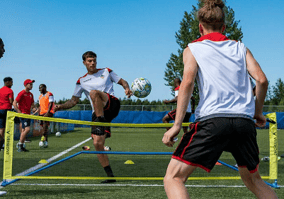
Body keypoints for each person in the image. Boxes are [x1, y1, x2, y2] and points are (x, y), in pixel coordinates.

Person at [162, 0, 278, 198]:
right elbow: (262, 80)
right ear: (224, 27)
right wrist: (257, 112)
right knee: (254, 180)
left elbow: (187, 84)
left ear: (200, 27)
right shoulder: (241, 48)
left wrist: (176, 125)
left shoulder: (192, 49)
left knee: (173, 178)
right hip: (244, 123)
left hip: (212, 121)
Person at [54, 51, 132, 183]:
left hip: (111, 103)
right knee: (97, 143)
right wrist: (60, 106)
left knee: (94, 93)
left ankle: (100, 120)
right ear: (84, 62)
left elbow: (122, 81)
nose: (92, 63)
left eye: (94, 60)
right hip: (98, 111)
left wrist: (127, 88)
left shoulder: (106, 71)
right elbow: (73, 101)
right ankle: (110, 177)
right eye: (89, 61)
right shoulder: (81, 81)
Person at [13, 79, 37, 152]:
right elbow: (14, 103)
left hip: (28, 115)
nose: (31, 86)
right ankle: (20, 144)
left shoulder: (31, 94)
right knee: (27, 129)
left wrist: (34, 109)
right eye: (30, 84)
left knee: (23, 130)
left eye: (32, 84)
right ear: (26, 85)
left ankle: (21, 146)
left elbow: (32, 105)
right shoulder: (21, 93)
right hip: (24, 115)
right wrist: (20, 112)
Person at [37, 84, 55, 148]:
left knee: (44, 126)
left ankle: (42, 140)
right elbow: (40, 106)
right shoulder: (40, 96)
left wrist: (47, 113)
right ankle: (46, 142)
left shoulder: (49, 94)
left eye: (40, 88)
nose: (39, 90)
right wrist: (38, 115)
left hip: (48, 112)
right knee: (43, 127)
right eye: (39, 88)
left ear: (44, 88)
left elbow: (51, 104)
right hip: (41, 113)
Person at [0, 77, 14, 151]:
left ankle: (2, 144)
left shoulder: (0, 90)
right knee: (8, 128)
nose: (12, 83)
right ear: (7, 82)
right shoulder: (10, 91)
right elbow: (11, 101)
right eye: (11, 82)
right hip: (7, 110)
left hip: (0, 110)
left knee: (1, 128)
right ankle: (6, 144)